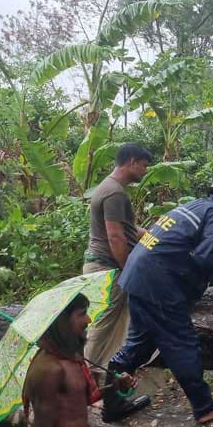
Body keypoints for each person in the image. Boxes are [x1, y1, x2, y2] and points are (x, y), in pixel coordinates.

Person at [107, 176, 213, 424]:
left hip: (137, 275)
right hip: (158, 283)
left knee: (138, 346)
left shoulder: (195, 206)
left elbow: (186, 251)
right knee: (182, 343)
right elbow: (206, 258)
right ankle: (204, 407)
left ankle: (112, 404)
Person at [23, 294, 136, 427]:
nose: (89, 320)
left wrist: (115, 386)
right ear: (61, 323)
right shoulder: (47, 370)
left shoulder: (73, 356)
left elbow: (80, 399)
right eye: (82, 314)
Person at [82, 144, 152, 375]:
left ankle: (110, 387)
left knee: (114, 331)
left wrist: (156, 233)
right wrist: (130, 270)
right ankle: (89, 386)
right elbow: (115, 236)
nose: (144, 171)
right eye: (143, 165)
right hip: (108, 269)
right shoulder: (114, 193)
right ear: (131, 162)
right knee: (103, 332)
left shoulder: (109, 188)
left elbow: (127, 229)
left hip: (102, 267)